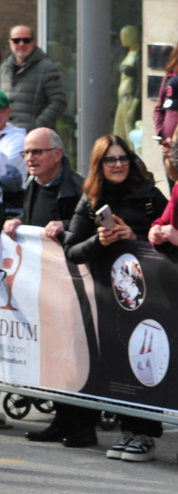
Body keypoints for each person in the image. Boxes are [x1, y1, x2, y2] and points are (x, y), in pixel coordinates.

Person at [62, 134, 167, 461]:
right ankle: (128, 431)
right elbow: (72, 250)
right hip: (109, 298)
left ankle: (145, 435)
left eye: (123, 158)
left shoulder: (150, 196)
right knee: (120, 365)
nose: (119, 164)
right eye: (111, 159)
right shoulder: (91, 199)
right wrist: (100, 240)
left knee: (145, 362)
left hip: (151, 297)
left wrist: (134, 238)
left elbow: (172, 243)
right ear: (100, 164)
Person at [3, 128, 89, 446]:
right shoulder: (33, 184)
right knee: (54, 354)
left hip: (75, 285)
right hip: (45, 286)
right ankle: (62, 420)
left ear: (57, 154)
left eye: (36, 152)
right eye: (26, 153)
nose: (29, 158)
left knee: (74, 354)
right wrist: (17, 224)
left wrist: (67, 227)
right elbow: (31, 224)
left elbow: (88, 228)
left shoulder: (78, 187)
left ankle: (83, 426)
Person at [0, 26, 66, 131]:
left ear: (33, 42)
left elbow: (59, 102)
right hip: (6, 137)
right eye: (16, 40)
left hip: (34, 139)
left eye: (26, 40)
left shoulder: (47, 69)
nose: (21, 44)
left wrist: (36, 127)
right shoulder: (3, 69)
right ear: (10, 43)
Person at [0, 90, 28, 220]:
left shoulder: (18, 138)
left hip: (11, 206)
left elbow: (4, 169)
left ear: (8, 112)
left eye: (0, 110)